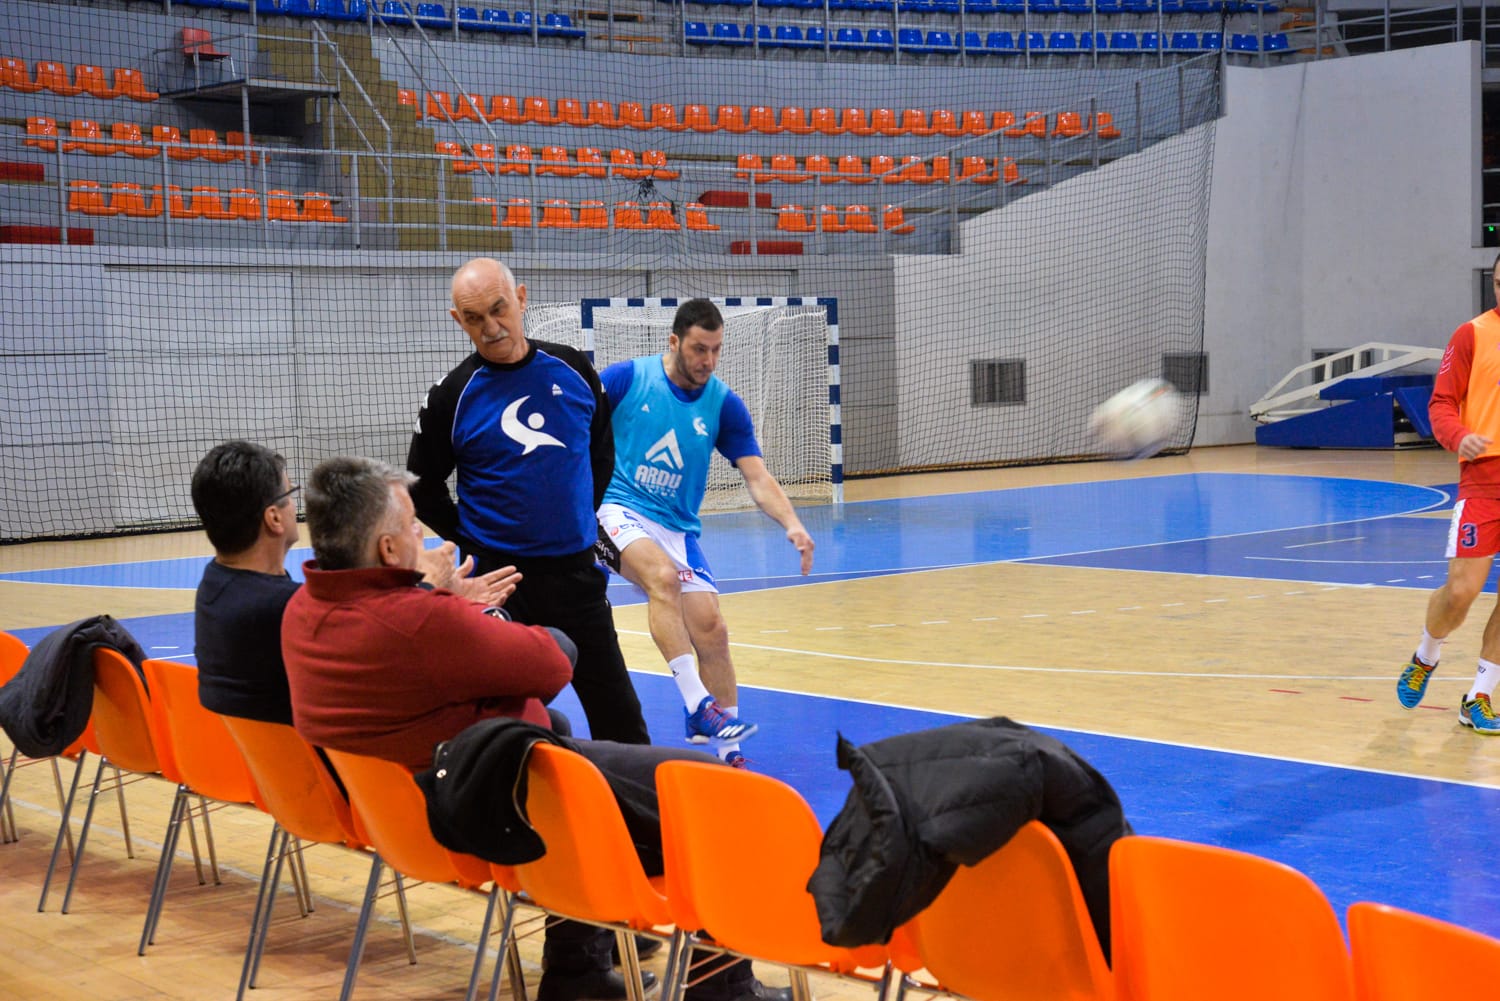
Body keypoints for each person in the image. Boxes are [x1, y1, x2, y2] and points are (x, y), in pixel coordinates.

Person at [281, 455, 788, 1001]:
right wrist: (449, 607)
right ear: (387, 550)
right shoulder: (418, 621)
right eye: (411, 528)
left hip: (407, 813)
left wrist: (440, 609)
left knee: (560, 734)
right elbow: (552, 659)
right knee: (710, 785)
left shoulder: (302, 612)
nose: (423, 537)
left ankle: (579, 971)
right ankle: (722, 988)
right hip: (483, 811)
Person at [408, 257, 650, 746]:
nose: (491, 328)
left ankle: (630, 817)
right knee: (503, 729)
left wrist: (580, 513)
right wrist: (470, 537)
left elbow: (600, 448)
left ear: (521, 298)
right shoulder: (452, 397)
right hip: (499, 585)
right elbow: (420, 486)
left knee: (621, 722)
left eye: (499, 309)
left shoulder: (574, 368)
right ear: (459, 321)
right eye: (474, 319)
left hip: (578, 576)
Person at [595, 299, 815, 767]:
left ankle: (728, 752)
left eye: (716, 350)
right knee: (663, 580)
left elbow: (757, 477)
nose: (708, 361)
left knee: (712, 629)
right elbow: (575, 425)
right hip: (616, 508)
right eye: (699, 349)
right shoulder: (626, 379)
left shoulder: (723, 404)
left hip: (676, 527)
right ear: (673, 341)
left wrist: (792, 523)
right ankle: (697, 704)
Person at [190, 440, 516, 725]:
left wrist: (437, 595)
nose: (296, 506)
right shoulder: (289, 608)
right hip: (338, 774)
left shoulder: (214, 586)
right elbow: (391, 647)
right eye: (290, 495)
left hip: (264, 771)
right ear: (274, 518)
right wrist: (431, 588)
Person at [1396, 253, 1500, 735]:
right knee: (1462, 591)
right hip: (1484, 479)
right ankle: (1426, 654)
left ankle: (1479, 695)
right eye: (1499, 283)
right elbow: (1440, 404)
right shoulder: (1472, 334)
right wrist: (1460, 437)